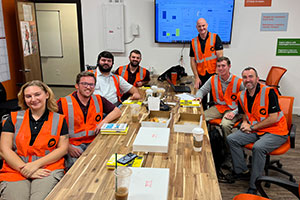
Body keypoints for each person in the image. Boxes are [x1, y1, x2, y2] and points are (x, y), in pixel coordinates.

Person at [0, 80, 69, 200]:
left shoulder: (59, 119)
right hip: (15, 168)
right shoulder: (13, 118)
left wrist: (35, 165)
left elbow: (62, 149)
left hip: (48, 168)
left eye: (37, 94)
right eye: (28, 96)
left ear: (46, 95)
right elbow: (4, 150)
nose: (33, 99)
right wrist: (25, 169)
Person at [227, 67, 288, 194]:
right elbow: (244, 113)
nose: (247, 80)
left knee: (258, 148)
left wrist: (252, 127)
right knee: (232, 139)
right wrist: (244, 122)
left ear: (257, 78)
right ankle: (242, 171)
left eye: (250, 76)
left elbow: (273, 118)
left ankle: (254, 186)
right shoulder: (241, 95)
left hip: (275, 131)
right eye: (245, 77)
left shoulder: (269, 92)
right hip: (257, 130)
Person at [57, 71, 122, 169]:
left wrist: (104, 121)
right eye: (84, 84)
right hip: (74, 145)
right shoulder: (63, 103)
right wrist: (67, 147)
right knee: (78, 169)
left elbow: (117, 111)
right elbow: (52, 129)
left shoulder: (99, 99)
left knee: (108, 163)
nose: (88, 87)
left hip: (96, 141)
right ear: (77, 86)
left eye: (91, 84)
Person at [195, 56, 244, 168]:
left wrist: (236, 112)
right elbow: (202, 90)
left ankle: (229, 153)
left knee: (225, 125)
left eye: (223, 66)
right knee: (200, 117)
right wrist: (199, 97)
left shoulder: (238, 82)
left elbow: (247, 101)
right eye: (218, 66)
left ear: (229, 66)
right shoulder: (213, 79)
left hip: (233, 109)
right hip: (219, 107)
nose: (221, 68)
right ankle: (205, 147)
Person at [190, 18, 223, 110]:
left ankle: (211, 121)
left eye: (203, 25)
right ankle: (203, 121)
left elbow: (220, 58)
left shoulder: (215, 37)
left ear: (207, 25)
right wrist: (196, 77)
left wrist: (216, 74)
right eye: (199, 26)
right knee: (201, 101)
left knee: (214, 101)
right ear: (196, 27)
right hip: (201, 76)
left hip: (213, 75)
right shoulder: (193, 42)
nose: (202, 28)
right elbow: (193, 61)